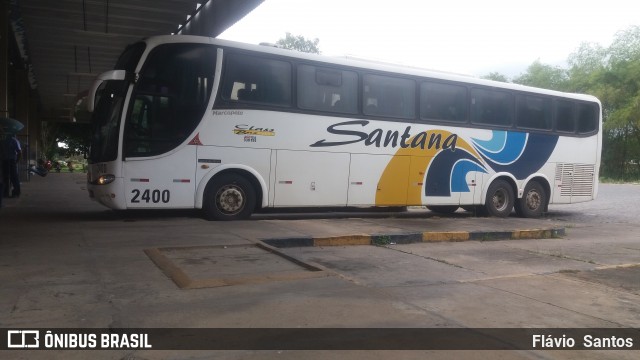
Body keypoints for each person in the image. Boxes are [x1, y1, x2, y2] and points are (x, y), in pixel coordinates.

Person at [3, 133, 22, 198]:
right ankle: (5, 192)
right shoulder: (3, 140)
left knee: (14, 177)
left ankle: (16, 192)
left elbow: (19, 152)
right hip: (5, 160)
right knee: (5, 177)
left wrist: (16, 161)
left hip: (11, 160)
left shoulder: (14, 141)